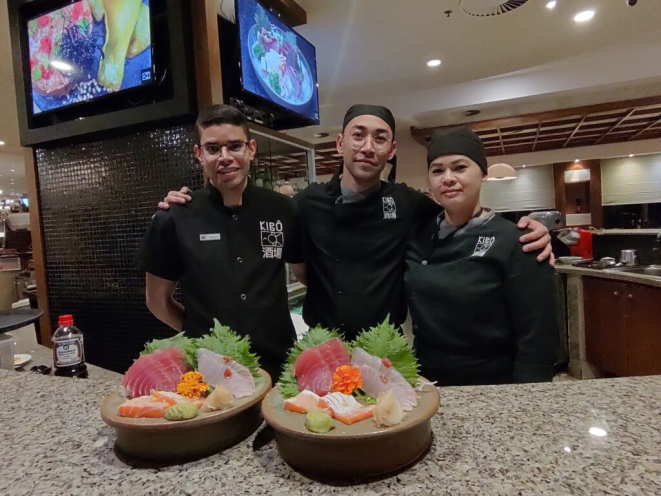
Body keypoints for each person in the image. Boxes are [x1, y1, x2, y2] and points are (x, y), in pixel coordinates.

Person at [158, 104, 552, 342]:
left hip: (386, 342)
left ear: (391, 150)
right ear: (340, 143)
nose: (368, 146)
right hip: (321, 339)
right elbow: (300, 266)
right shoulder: (306, 202)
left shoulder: (408, 202)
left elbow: (462, 217)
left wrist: (527, 228)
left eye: (380, 138)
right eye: (358, 135)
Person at [135, 105, 305, 381]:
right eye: (213, 149)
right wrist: (200, 335)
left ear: (251, 149)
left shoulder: (284, 210)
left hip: (279, 367)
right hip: (210, 373)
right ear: (199, 155)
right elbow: (157, 300)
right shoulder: (174, 218)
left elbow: (304, 272)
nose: (225, 157)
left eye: (235, 146)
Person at [405, 128, 559, 386]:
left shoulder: (517, 240)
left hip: (491, 384)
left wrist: (531, 399)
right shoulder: (417, 236)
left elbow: (538, 338)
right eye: (437, 170)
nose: (448, 178)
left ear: (483, 174)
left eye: (460, 167)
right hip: (424, 380)